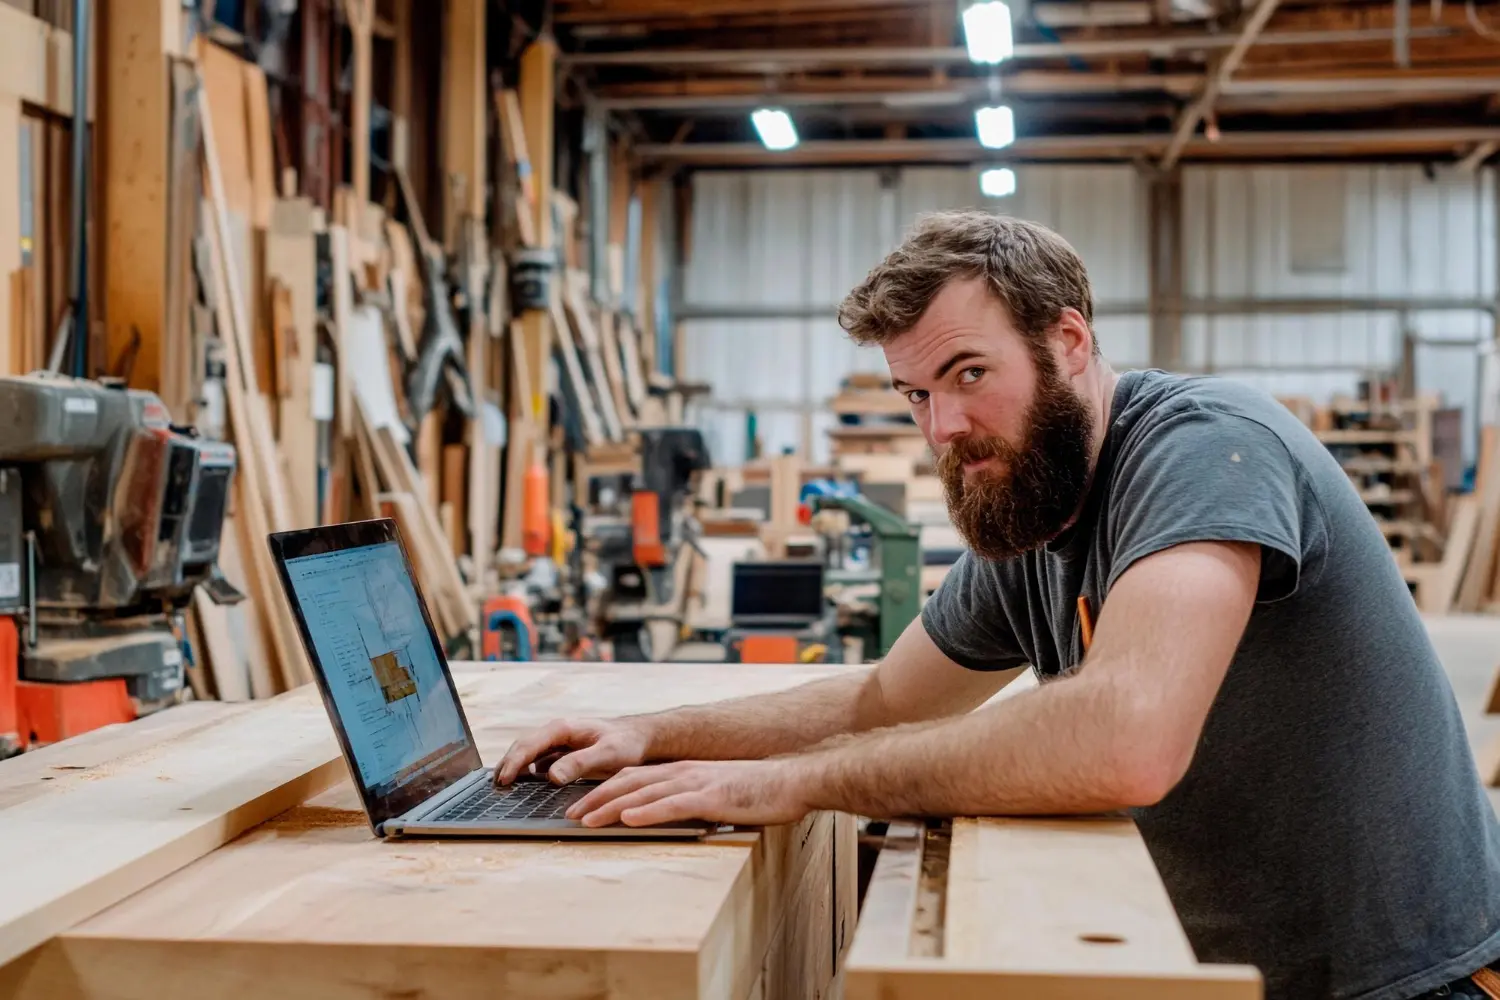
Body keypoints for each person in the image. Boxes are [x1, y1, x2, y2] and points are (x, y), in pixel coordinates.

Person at [496, 210, 1500, 1000]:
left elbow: (1127, 739)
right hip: (1231, 970)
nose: (945, 425)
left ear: (1069, 341)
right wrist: (654, 734)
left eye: (969, 374)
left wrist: (798, 783)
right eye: (916, 394)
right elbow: (881, 702)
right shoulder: (1032, 503)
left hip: (1406, 981)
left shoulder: (1204, 448)